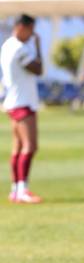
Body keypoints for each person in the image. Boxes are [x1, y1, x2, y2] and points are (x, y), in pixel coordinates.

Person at [1, 14, 43, 204]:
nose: (32, 34)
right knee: (30, 146)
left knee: (18, 147)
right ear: (20, 27)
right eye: (30, 30)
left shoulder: (7, 45)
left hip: (14, 101)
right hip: (22, 102)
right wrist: (38, 47)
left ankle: (15, 190)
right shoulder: (19, 48)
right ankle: (22, 190)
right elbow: (38, 69)